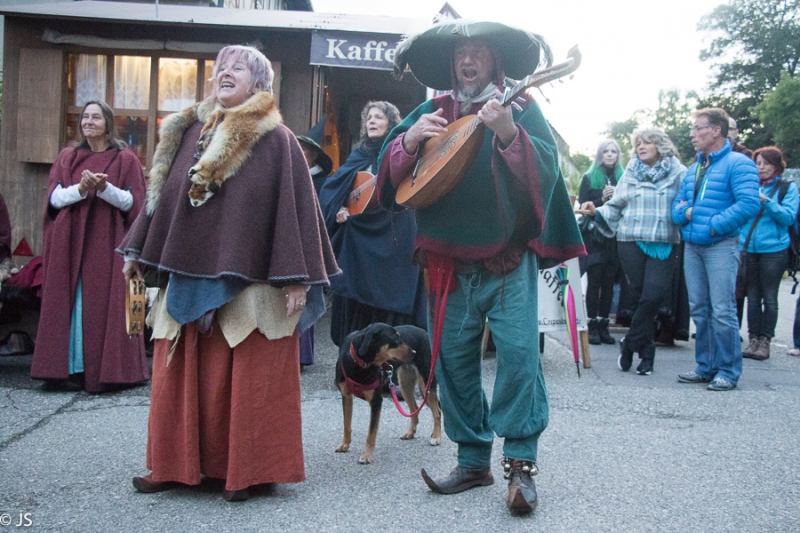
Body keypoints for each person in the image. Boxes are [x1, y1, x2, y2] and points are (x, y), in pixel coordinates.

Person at [376, 20, 584, 515]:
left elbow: (548, 174)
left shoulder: (520, 108)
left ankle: (520, 467)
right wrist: (408, 145)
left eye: (478, 53)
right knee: (453, 365)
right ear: (451, 65)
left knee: (518, 361)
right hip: (447, 263)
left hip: (506, 258)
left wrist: (508, 131)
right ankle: (472, 460)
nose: (467, 61)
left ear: (495, 61)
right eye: (460, 55)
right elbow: (386, 179)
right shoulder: (430, 111)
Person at [117, 45, 339, 501]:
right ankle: (173, 465)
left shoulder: (276, 139)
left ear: (259, 83)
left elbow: (296, 210)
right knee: (176, 374)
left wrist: (297, 277)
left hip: (252, 282)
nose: (225, 73)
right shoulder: (186, 131)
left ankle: (249, 472)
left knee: (250, 377)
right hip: (185, 273)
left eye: (238, 67)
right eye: (221, 67)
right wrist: (138, 247)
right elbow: (161, 194)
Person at [30, 100, 148, 393]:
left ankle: (110, 372)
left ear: (108, 122)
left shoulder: (125, 160)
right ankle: (70, 369)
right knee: (73, 301)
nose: (88, 122)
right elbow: (55, 200)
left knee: (107, 304)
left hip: (108, 243)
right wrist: (82, 189)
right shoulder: (68, 157)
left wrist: (104, 189)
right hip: (70, 243)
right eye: (85, 117)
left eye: (96, 117)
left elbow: (134, 203)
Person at [319, 101, 426, 347]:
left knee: (394, 294)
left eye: (378, 117)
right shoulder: (358, 156)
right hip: (360, 244)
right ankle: (356, 354)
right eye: (369, 118)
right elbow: (331, 191)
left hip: (394, 235)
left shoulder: (401, 153)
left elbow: (412, 189)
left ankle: (392, 358)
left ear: (391, 122)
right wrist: (339, 209)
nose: (372, 122)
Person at [581, 128, 686, 375]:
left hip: (664, 242)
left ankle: (629, 344)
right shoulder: (630, 172)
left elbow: (686, 204)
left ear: (660, 145)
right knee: (640, 299)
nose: (641, 146)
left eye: (647, 142)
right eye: (638, 143)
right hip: (629, 241)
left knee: (652, 298)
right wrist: (596, 211)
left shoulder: (680, 172)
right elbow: (616, 206)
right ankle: (647, 355)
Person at [673, 108, 760, 391]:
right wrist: (683, 215)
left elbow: (749, 204)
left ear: (716, 131)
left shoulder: (738, 163)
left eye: (698, 128)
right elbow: (677, 206)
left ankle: (728, 370)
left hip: (720, 245)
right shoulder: (694, 168)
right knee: (699, 308)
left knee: (722, 310)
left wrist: (713, 225)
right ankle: (705, 367)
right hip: (693, 246)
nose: (692, 134)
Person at [739, 147, 798, 360]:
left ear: (776, 165)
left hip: (774, 249)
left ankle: (766, 340)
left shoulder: (786, 188)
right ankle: (753, 339)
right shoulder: (748, 186)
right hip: (748, 249)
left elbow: (788, 218)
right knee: (752, 296)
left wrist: (767, 202)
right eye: (758, 163)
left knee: (770, 297)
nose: (761, 168)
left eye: (766, 163)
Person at [578, 139, 623, 345]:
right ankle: (592, 325)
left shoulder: (624, 179)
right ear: (600, 154)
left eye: (614, 151)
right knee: (594, 280)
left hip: (614, 238)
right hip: (595, 238)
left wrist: (616, 197)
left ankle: (604, 324)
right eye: (606, 151)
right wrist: (601, 201)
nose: (610, 155)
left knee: (608, 283)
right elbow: (583, 206)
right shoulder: (589, 177)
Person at [295, 130, 333, 369]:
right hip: (290, 243)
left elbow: (327, 213)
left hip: (312, 245)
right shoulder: (287, 177)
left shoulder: (324, 184)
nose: (299, 153)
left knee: (306, 296)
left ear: (314, 156)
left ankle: (301, 355)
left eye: (304, 150)